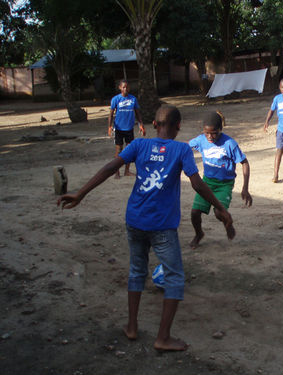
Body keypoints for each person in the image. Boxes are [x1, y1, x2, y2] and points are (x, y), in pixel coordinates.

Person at [58, 105, 233, 351]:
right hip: (162, 226)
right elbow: (198, 185)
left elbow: (110, 168)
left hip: (135, 221)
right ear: (179, 126)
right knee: (174, 277)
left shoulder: (139, 145)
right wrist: (220, 208)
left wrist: (80, 193)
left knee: (137, 271)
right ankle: (162, 337)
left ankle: (131, 327)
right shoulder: (182, 149)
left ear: (153, 124)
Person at [189, 111, 252, 249]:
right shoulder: (201, 140)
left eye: (214, 133)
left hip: (224, 184)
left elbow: (245, 162)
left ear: (220, 129)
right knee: (194, 213)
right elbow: (186, 146)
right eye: (207, 133)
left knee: (219, 213)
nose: (210, 137)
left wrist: (245, 187)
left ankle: (227, 224)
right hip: (207, 182)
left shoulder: (230, 144)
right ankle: (199, 234)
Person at [108, 79, 146, 179]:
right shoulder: (116, 99)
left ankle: (127, 171)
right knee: (118, 150)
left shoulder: (133, 99)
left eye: (127, 87)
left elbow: (137, 113)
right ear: (120, 87)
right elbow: (111, 114)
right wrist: (109, 126)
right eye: (123, 87)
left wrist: (141, 124)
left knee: (129, 150)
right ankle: (117, 172)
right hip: (119, 128)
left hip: (129, 128)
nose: (126, 89)